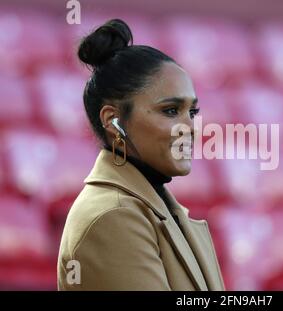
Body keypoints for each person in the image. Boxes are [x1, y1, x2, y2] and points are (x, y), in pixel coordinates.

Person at [57, 19, 225, 291]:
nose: (190, 128)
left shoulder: (154, 208)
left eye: (192, 112)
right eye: (171, 111)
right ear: (113, 122)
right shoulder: (113, 217)